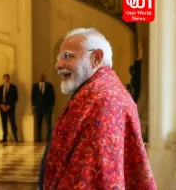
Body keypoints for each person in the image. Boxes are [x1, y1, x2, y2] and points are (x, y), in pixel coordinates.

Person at [38, 28, 156, 189]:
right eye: (59, 58)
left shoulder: (103, 100)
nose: (58, 65)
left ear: (96, 58)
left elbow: (92, 178)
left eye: (67, 56)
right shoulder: (101, 91)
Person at [31, 73, 55, 142]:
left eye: (43, 76)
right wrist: (34, 105)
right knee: (38, 124)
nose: (41, 78)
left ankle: (48, 139)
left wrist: (51, 105)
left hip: (47, 108)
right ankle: (39, 138)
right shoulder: (35, 86)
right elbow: (33, 96)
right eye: (40, 77)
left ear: (44, 77)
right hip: (38, 108)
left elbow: (52, 96)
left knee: (48, 124)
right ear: (38, 78)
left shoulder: (49, 85)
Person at [0, 74, 19, 143]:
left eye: (7, 78)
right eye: (5, 78)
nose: (6, 79)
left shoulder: (13, 87)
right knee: (4, 123)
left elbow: (16, 98)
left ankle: (15, 138)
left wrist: (9, 106)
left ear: (9, 79)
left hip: (10, 108)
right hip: (2, 108)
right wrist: (2, 106)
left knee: (12, 123)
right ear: (3, 79)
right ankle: (4, 138)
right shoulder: (0, 87)